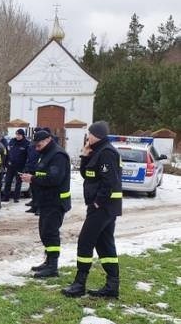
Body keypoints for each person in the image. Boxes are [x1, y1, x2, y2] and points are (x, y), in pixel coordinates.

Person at [62, 121, 123, 298]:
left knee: (85, 241)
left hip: (104, 207)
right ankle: (112, 286)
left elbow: (109, 182)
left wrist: (97, 202)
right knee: (104, 244)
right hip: (103, 207)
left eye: (89, 133)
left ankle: (79, 284)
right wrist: (85, 156)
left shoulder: (107, 153)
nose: (87, 136)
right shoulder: (97, 151)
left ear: (96, 134)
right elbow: (87, 174)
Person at [20, 130, 71, 278]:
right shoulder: (45, 153)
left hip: (56, 202)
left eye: (39, 144)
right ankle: (48, 261)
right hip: (46, 201)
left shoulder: (58, 155)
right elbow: (42, 173)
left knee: (51, 233)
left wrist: (33, 179)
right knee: (44, 233)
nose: (36, 147)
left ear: (48, 139)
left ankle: (53, 267)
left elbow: (54, 179)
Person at [3, 128, 30, 203]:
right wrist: (6, 162)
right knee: (8, 181)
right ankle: (6, 197)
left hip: (20, 166)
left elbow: (28, 156)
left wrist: (26, 167)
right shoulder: (12, 141)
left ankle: (16, 197)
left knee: (18, 183)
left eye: (19, 135)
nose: (17, 136)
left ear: (23, 135)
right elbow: (7, 152)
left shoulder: (26, 143)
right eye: (17, 134)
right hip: (10, 165)